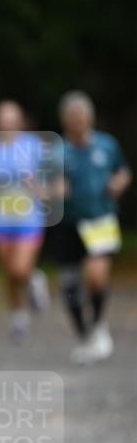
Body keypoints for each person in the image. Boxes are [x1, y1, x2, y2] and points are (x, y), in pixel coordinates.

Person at [53, 91, 131, 364]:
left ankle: (98, 325)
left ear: (90, 118)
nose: (78, 122)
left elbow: (122, 170)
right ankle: (85, 335)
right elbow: (46, 184)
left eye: (82, 117)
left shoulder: (106, 145)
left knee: (97, 275)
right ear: (65, 120)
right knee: (70, 284)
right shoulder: (57, 151)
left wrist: (119, 182)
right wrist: (55, 190)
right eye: (72, 118)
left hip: (101, 218)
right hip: (69, 224)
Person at [0, 101, 50, 343]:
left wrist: (35, 184)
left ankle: (34, 279)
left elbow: (49, 184)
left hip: (29, 218)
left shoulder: (34, 146)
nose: (6, 124)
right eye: (2, 120)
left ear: (20, 121)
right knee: (9, 273)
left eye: (11, 120)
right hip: (0, 218)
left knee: (20, 269)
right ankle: (18, 317)